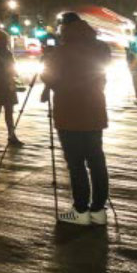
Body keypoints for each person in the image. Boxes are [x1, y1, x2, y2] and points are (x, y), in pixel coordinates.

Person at [42, 12, 111, 225]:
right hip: (94, 110)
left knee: (76, 163)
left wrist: (47, 64)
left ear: (64, 28)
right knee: (96, 160)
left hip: (69, 112)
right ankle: (98, 211)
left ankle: (80, 211)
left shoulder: (62, 51)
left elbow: (49, 77)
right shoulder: (101, 48)